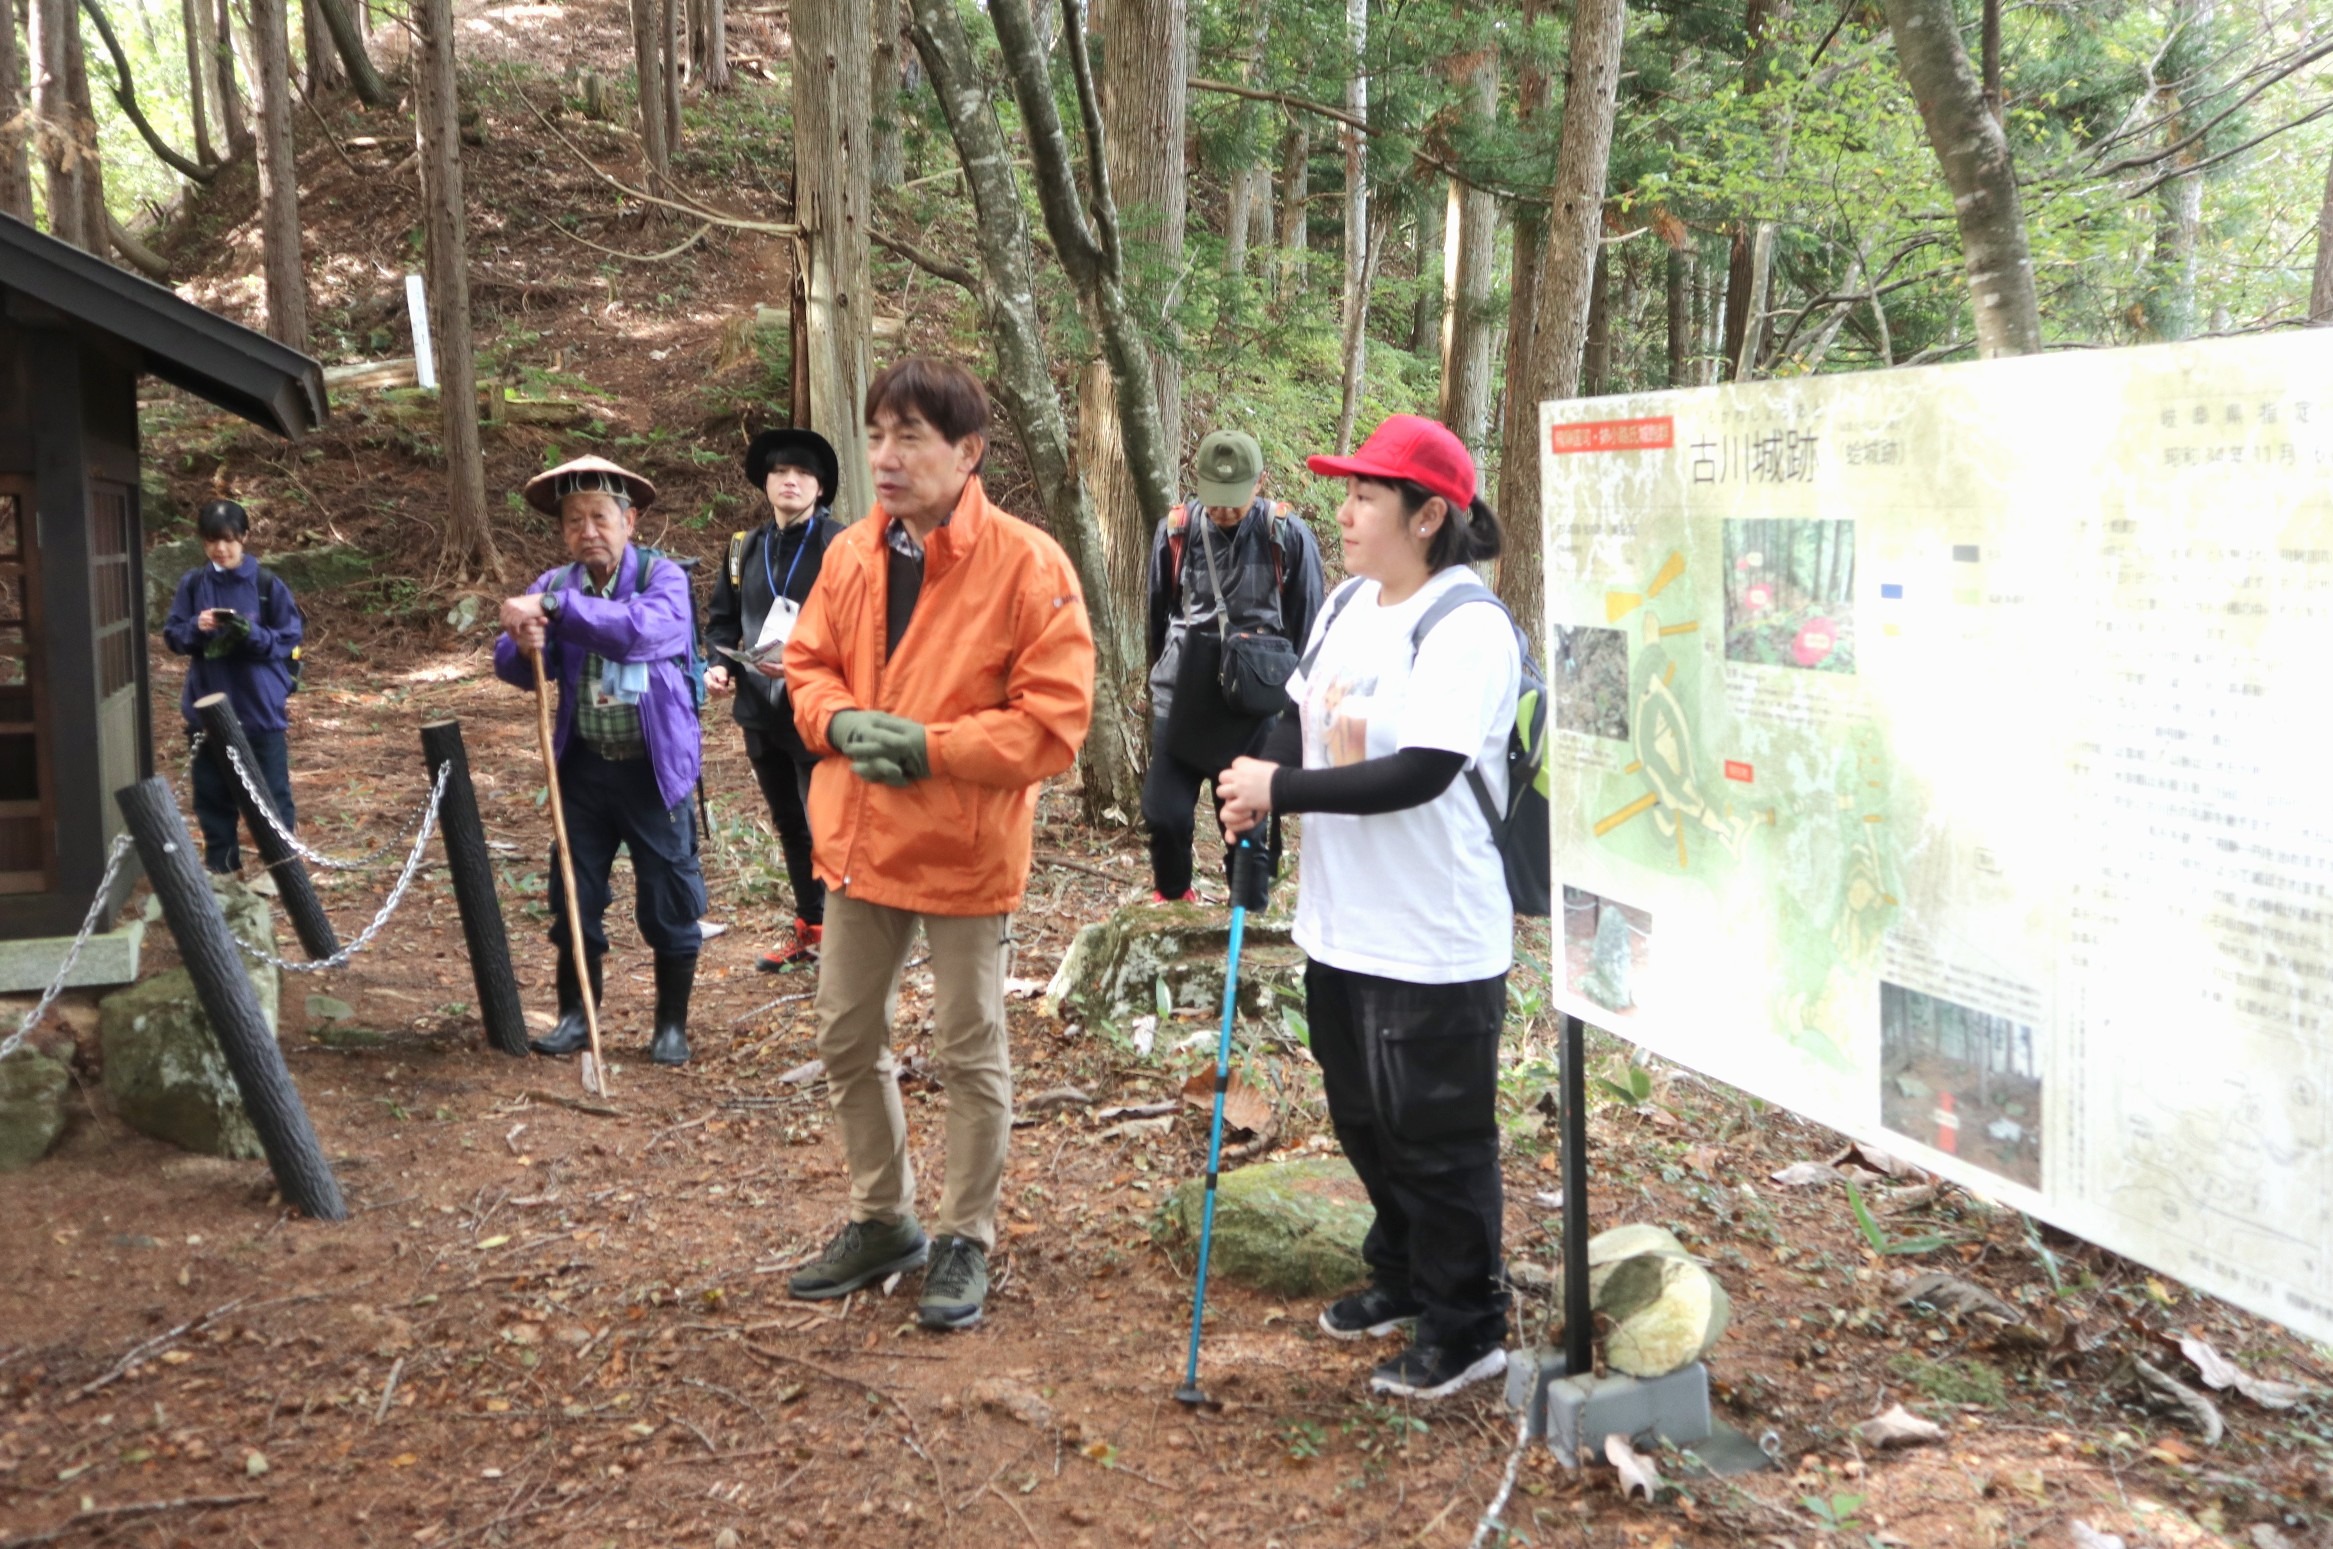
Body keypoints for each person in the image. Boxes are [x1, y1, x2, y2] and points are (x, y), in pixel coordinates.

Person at [782, 357, 1095, 1331]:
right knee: (844, 1031)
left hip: (963, 846)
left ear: (967, 451)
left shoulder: (1028, 563)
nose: (884, 455)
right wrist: (832, 723)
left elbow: (1054, 722)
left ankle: (964, 1233)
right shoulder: (850, 555)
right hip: (861, 840)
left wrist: (931, 746)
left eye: (909, 435)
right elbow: (807, 663)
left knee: (967, 1047)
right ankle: (882, 1217)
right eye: (876, 434)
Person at [1216, 414, 1518, 1400]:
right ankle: (1403, 1278)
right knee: (1363, 1119)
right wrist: (1249, 784)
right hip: (1341, 926)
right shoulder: (1348, 601)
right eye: (1342, 492)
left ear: (1426, 515)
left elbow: (1422, 769)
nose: (1339, 513)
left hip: (1432, 938)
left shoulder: (1465, 623)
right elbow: (1299, 722)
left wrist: (1279, 790)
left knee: (1437, 1139)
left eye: (1362, 496)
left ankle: (1468, 1323)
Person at [494, 456, 708, 1068]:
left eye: (599, 517)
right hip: (584, 769)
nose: (587, 530)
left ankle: (671, 1025)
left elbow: (644, 633)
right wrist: (520, 640)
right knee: (574, 894)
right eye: (573, 520)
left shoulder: (663, 580)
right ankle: (574, 1016)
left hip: (652, 770)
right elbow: (519, 671)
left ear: (629, 520)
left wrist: (557, 611)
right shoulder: (554, 582)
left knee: (668, 896)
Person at [1143, 429, 1323, 906]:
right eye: (1215, 500)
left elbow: (1308, 627)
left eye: (1234, 502)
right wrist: (1164, 673)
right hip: (1181, 692)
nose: (1223, 511)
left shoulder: (1286, 536)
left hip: (1253, 700)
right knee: (1164, 814)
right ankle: (1175, 899)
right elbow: (1157, 612)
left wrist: (1290, 707)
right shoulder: (1177, 530)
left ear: (1259, 483)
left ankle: (1246, 912)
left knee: (1244, 825)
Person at [706, 428, 847, 971]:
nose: (791, 480)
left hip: (818, 711)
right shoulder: (745, 549)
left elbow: (862, 629)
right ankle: (810, 927)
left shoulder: (840, 545)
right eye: (781, 472)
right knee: (789, 822)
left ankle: (846, 937)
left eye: (804, 473)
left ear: (819, 487)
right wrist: (719, 664)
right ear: (766, 482)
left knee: (826, 824)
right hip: (759, 711)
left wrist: (810, 664)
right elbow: (722, 620)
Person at [161, 498, 304, 874]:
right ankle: (223, 872)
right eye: (211, 540)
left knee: (272, 795)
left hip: (259, 709)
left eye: (227, 540)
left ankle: (283, 873)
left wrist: (249, 632)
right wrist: (197, 627)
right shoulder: (193, 584)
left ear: (244, 537)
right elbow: (173, 636)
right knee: (211, 797)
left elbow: (288, 638)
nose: (219, 549)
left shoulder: (266, 585)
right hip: (206, 708)